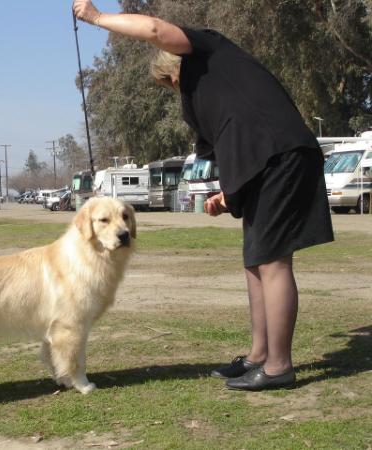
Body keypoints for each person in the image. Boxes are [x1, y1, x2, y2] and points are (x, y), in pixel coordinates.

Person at [73, 0, 334, 391]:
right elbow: (229, 146)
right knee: (256, 262)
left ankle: (279, 366)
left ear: (172, 65)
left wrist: (96, 18)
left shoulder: (209, 48)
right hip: (264, 164)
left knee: (274, 263)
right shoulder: (199, 101)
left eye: (171, 81)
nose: (176, 89)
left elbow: (157, 30)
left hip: (283, 154)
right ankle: (258, 356)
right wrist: (225, 195)